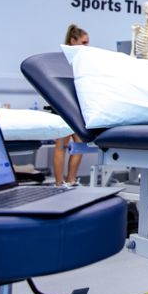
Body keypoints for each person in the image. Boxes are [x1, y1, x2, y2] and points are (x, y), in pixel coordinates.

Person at [56, 24, 88, 187]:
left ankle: (71, 180)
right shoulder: (62, 60)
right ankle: (58, 184)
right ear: (73, 41)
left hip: (77, 106)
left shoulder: (82, 61)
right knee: (61, 146)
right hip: (63, 106)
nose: (86, 46)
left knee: (80, 145)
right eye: (84, 42)